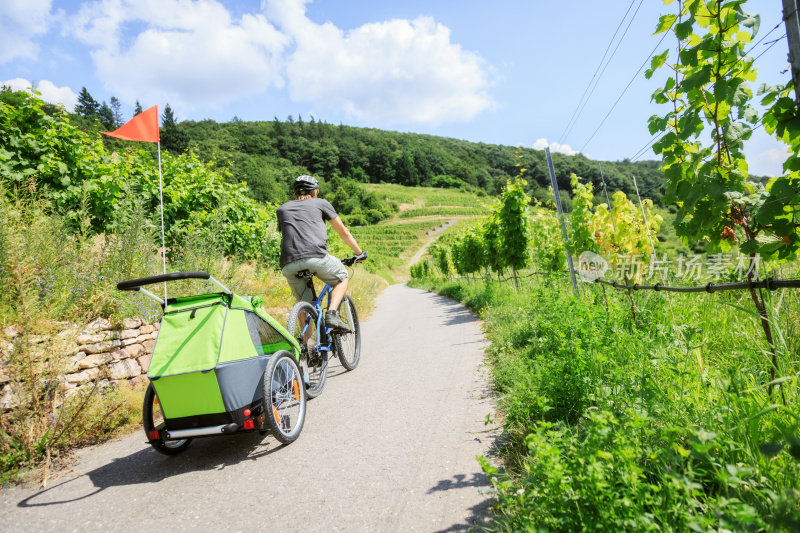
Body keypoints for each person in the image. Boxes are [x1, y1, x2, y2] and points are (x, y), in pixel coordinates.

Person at [277, 175, 366, 331]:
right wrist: (359, 253)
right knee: (342, 277)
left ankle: (307, 349)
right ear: (314, 191)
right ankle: (332, 314)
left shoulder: (282, 209)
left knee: (304, 306)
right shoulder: (321, 203)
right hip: (315, 257)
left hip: (288, 263)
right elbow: (343, 232)